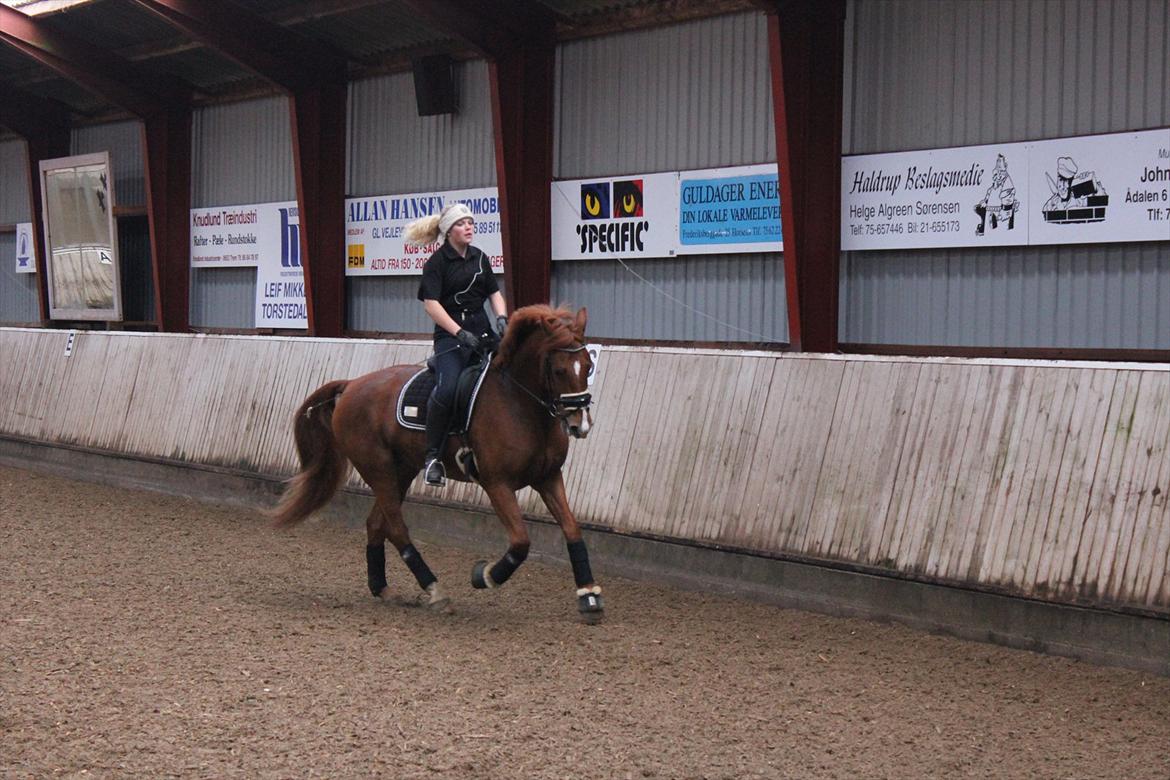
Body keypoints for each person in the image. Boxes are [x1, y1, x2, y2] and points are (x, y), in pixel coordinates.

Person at [406, 202, 508, 486]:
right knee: (448, 388)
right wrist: (459, 332)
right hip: (451, 338)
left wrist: (501, 317)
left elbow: (494, 293)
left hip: (483, 331)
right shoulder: (436, 264)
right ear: (450, 231)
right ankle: (433, 458)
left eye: (471, 223)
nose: (469, 227)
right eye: (463, 224)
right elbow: (431, 305)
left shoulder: (480, 258)